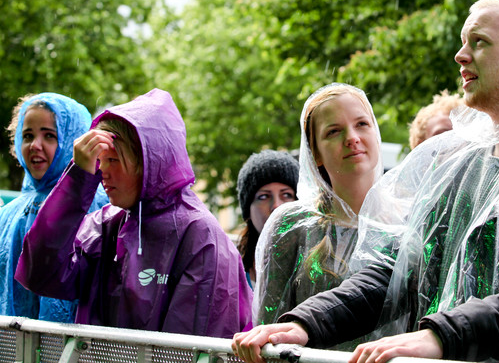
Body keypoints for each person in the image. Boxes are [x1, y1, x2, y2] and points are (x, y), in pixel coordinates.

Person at [232, 0, 499, 363]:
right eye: (462, 43)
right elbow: (394, 270)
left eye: (479, 43)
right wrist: (306, 323)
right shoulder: (456, 160)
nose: (461, 56)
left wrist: (440, 335)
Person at [15, 88, 253, 337]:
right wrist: (76, 182)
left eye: (114, 160)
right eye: (100, 161)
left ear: (150, 161)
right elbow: (40, 274)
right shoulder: (105, 225)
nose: (102, 172)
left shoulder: (200, 236)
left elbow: (190, 347)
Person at [252, 83, 383, 329]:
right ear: (316, 154)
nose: (352, 138)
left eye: (362, 124)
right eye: (333, 131)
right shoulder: (290, 225)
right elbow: (268, 330)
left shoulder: (409, 221)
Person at [0, 93, 106, 322]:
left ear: (73, 140)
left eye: (49, 135)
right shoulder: (9, 213)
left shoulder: (96, 204)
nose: (35, 146)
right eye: (27, 136)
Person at [236, 149, 299, 286]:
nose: (276, 206)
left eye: (287, 195)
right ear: (248, 211)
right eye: (264, 197)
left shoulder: (320, 265)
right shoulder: (229, 269)